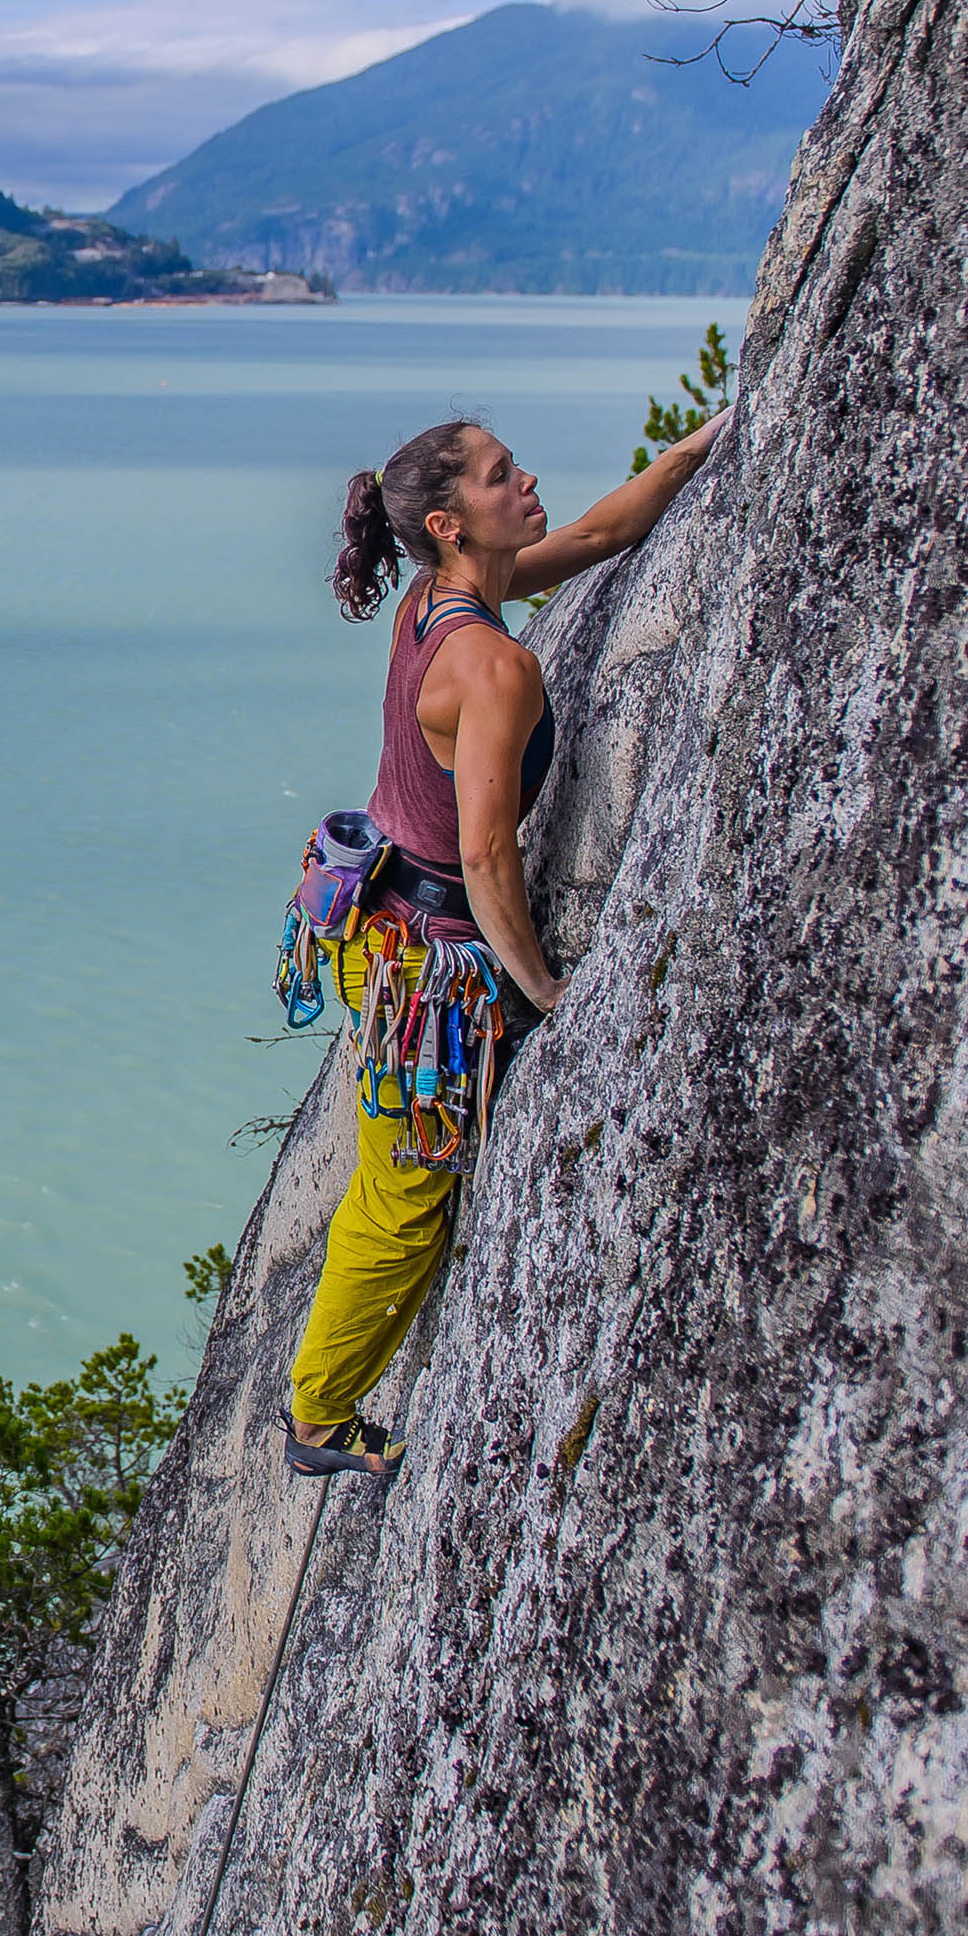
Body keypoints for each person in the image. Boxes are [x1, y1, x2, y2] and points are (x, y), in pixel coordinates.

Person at [283, 405, 731, 1478]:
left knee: (394, 1174)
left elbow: (590, 540)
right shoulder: (492, 669)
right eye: (499, 475)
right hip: (427, 964)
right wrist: (543, 988)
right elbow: (488, 857)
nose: (526, 480)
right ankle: (317, 1419)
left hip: (369, 913)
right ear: (449, 520)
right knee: (407, 1199)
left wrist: (693, 448)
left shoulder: (439, 605)